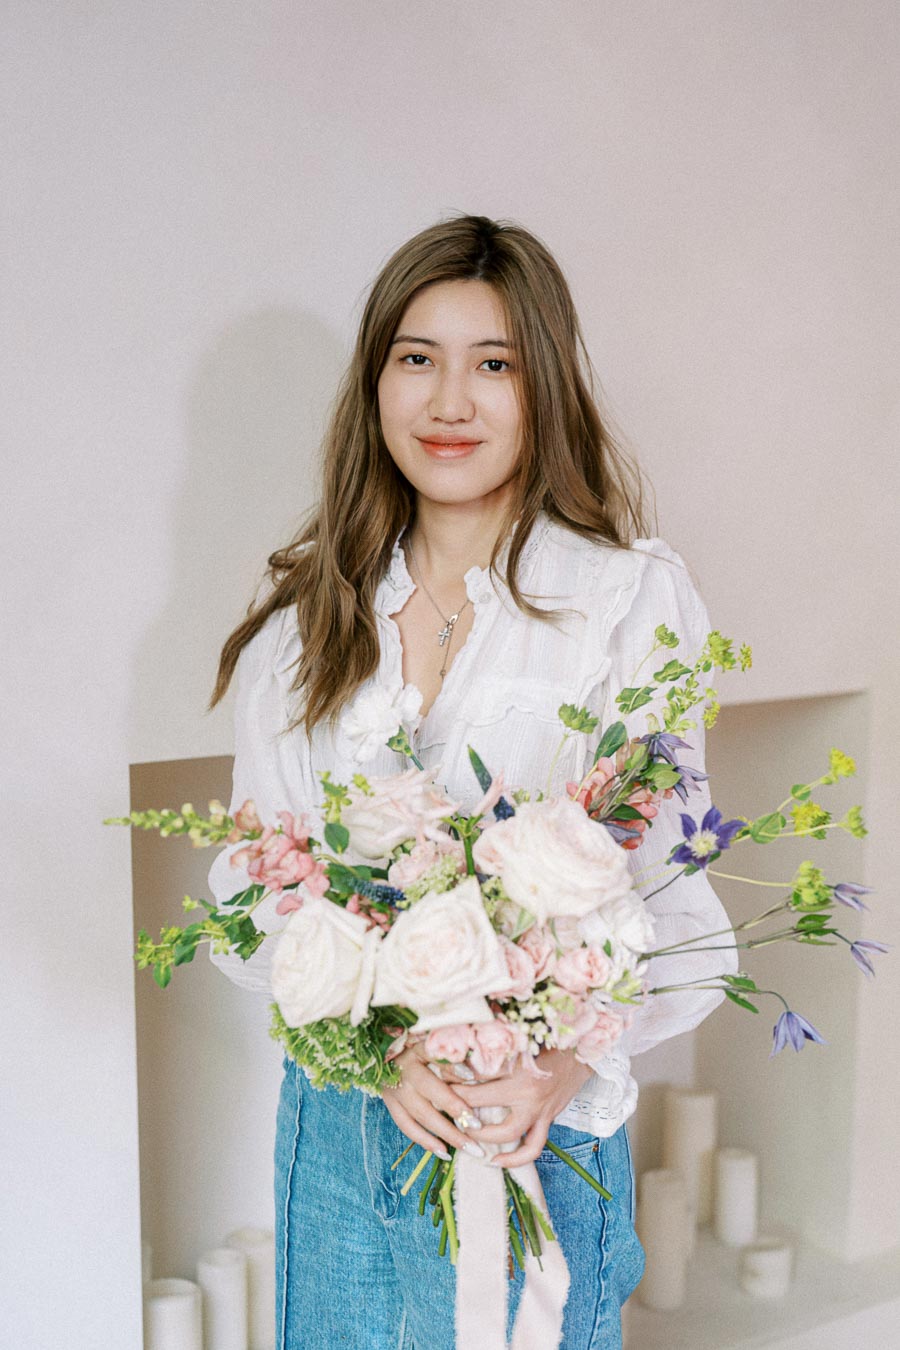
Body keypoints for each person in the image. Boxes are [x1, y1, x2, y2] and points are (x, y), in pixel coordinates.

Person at [206, 214, 738, 1350]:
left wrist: (550, 1068)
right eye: (417, 358)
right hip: (344, 1133)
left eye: (492, 364)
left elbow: (671, 900)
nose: (451, 402)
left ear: (543, 387)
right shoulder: (304, 623)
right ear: (376, 383)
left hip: (535, 1130)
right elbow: (258, 888)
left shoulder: (625, 607)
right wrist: (381, 1049)